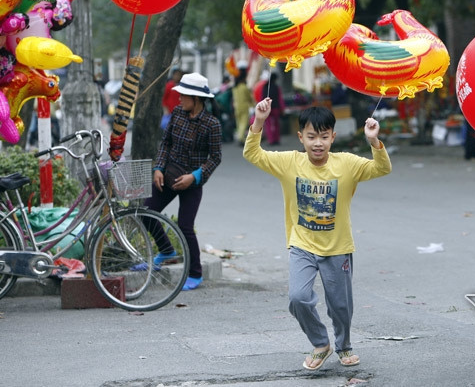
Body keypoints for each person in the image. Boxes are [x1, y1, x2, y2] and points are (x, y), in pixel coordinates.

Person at [243, 98, 392, 370]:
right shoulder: (290, 162)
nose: (318, 143)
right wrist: (260, 121)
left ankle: (344, 346)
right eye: (311, 136)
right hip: (302, 246)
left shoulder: (346, 164)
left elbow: (382, 168)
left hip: (338, 248)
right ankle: (320, 343)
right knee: (297, 297)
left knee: (341, 306)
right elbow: (253, 154)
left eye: (324, 136)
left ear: (333, 137)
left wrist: (374, 141)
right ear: (301, 137)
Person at [147, 72, 222, 291]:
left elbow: (216, 157)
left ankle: (195, 273)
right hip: (168, 175)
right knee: (147, 212)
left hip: (191, 183)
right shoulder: (178, 113)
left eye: (183, 96)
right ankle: (167, 251)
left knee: (185, 226)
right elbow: (166, 143)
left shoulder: (212, 124)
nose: (179, 99)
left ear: (196, 98)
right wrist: (158, 168)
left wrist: (195, 176)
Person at [256, 73, 285, 145]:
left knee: (268, 124)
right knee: (276, 124)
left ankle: (271, 140)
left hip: (266, 107)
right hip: (275, 108)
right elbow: (280, 99)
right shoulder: (276, 87)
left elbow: (261, 98)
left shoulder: (265, 87)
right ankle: (276, 139)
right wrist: (282, 108)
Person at [232, 65, 255, 146]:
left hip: (237, 107)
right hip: (244, 107)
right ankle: (241, 138)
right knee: (243, 123)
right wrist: (253, 105)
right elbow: (249, 98)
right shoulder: (244, 87)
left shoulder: (234, 88)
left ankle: (240, 136)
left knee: (238, 123)